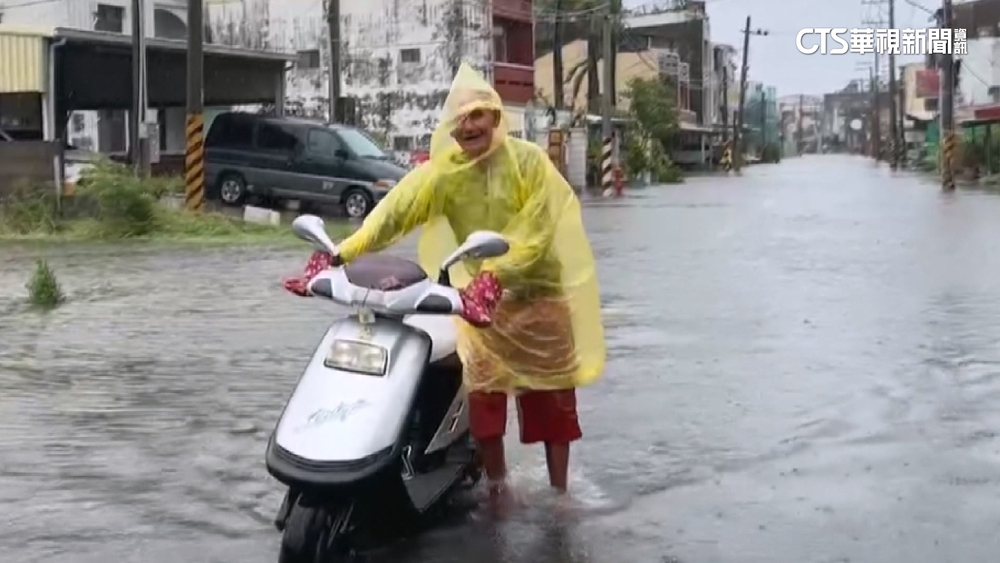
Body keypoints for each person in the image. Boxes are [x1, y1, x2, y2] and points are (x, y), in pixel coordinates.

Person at [291, 63, 605, 500]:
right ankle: (498, 491)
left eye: (478, 114)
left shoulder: (531, 163)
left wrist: (496, 274)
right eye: (460, 119)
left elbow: (537, 228)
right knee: (485, 407)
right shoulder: (442, 173)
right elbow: (391, 215)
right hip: (480, 307)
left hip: (539, 301)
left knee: (552, 407)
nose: (469, 125)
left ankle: (559, 498)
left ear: (496, 117)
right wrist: (340, 253)